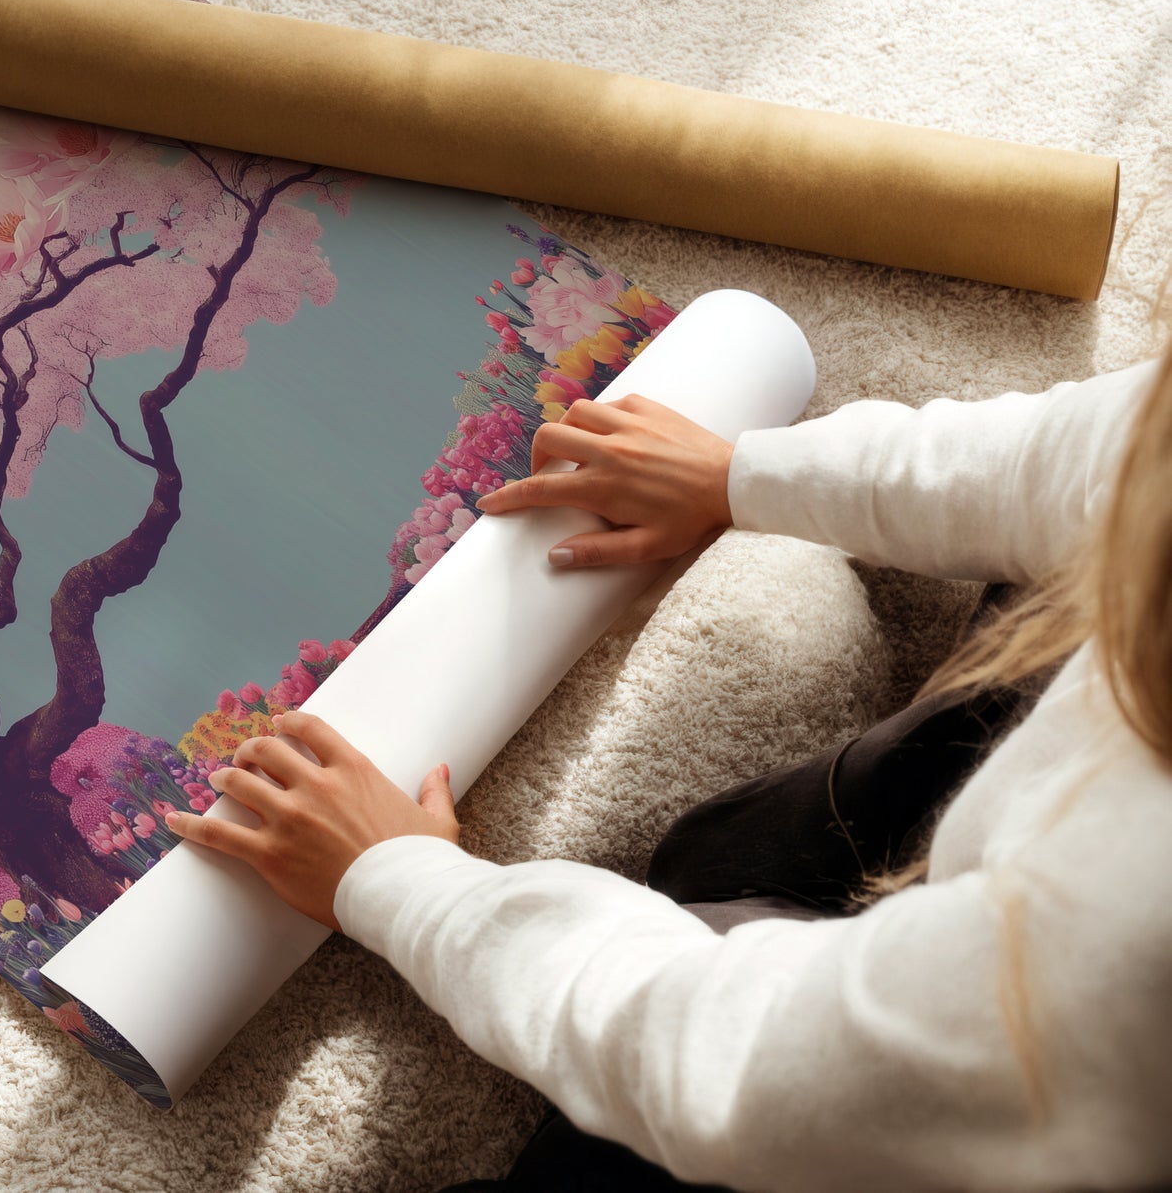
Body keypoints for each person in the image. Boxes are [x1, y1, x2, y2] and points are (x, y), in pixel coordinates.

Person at [164, 349, 1172, 1191]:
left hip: (1031, 1102)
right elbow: (1095, 453)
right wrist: (739, 475)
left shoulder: (1122, 943)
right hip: (1023, 908)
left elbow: (734, 1064)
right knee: (728, 856)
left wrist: (400, 882)